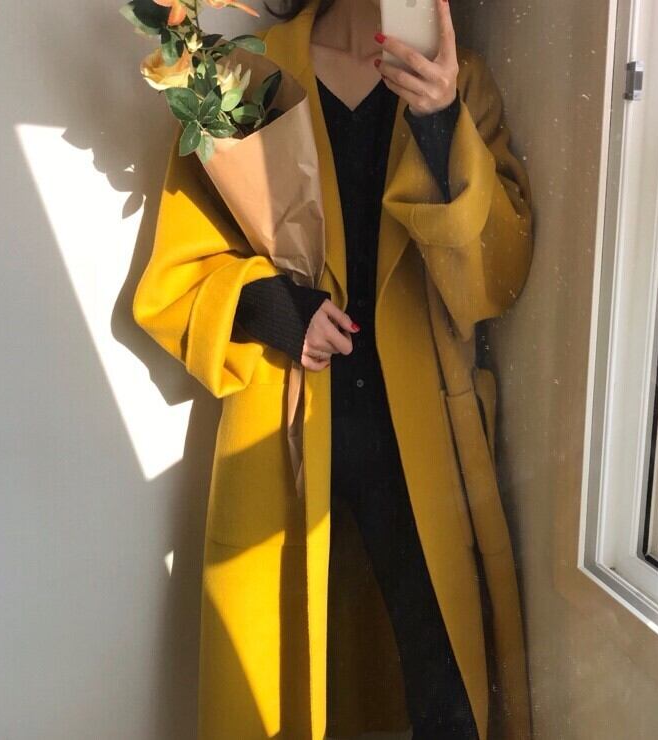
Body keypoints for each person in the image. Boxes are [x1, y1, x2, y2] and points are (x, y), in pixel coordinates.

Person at [132, 0, 533, 737]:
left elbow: (495, 279)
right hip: (283, 422)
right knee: (276, 681)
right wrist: (273, 305)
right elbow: (178, 277)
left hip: (423, 433)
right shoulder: (243, 73)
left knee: (447, 686)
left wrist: (440, 120)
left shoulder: (458, 79)